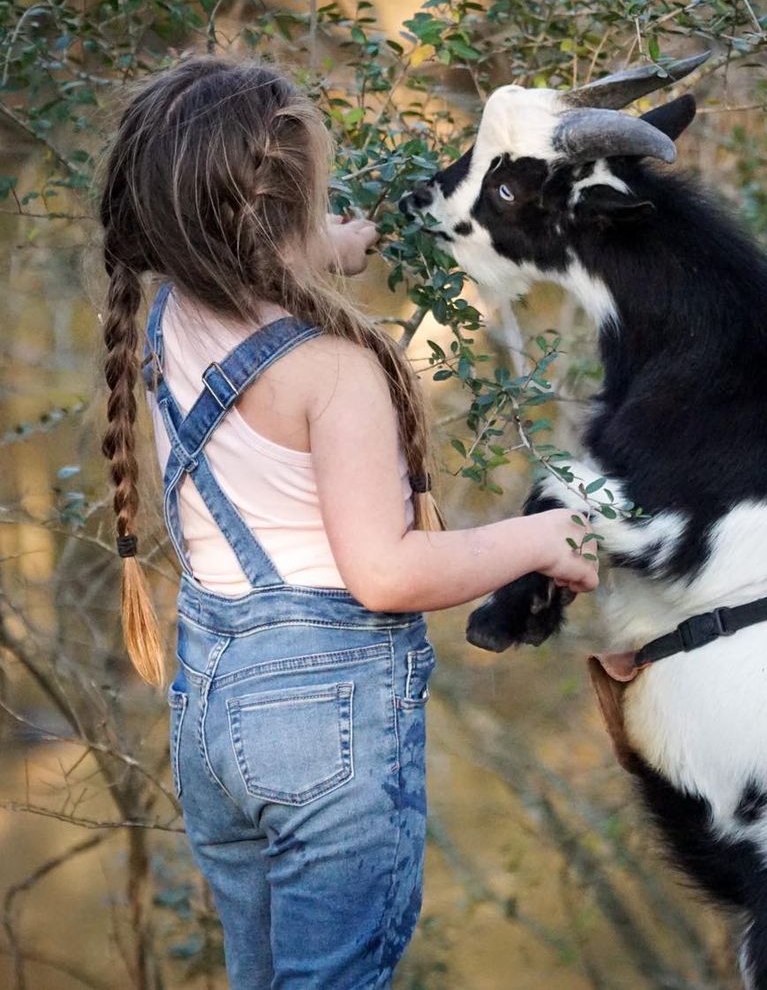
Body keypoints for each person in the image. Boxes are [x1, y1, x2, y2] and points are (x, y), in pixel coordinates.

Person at [96, 55, 598, 989]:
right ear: (287, 204)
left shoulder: (166, 315)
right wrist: (546, 537)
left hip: (212, 712)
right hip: (321, 728)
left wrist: (323, 244)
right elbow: (387, 573)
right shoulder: (333, 373)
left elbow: (244, 263)